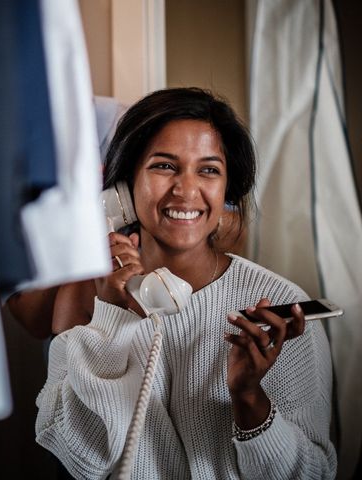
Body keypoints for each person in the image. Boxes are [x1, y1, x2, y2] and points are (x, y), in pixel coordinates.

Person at [35, 88, 337, 479]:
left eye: (208, 170)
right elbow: (81, 459)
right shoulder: (93, 301)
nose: (186, 190)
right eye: (164, 166)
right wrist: (109, 318)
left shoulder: (280, 303)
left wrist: (250, 400)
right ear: (124, 188)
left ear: (227, 188)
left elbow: (314, 473)